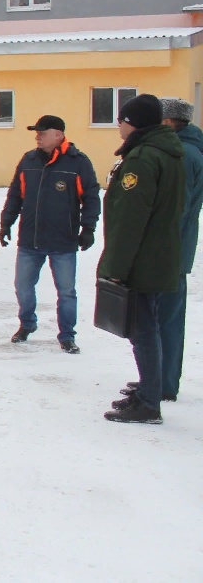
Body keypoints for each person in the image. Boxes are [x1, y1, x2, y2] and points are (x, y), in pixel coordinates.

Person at [99, 94, 183, 424]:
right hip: (159, 253)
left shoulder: (142, 159)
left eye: (122, 119)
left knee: (143, 329)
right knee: (149, 326)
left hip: (143, 258)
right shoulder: (167, 152)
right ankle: (149, 390)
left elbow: (130, 219)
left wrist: (116, 269)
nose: (118, 125)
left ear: (133, 123)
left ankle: (149, 402)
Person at [0, 114, 100, 352]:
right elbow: (15, 194)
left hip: (63, 240)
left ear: (58, 135)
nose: (38, 137)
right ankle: (27, 323)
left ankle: (66, 335)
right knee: (22, 286)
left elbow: (91, 198)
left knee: (66, 291)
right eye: (37, 133)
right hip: (30, 239)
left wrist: (89, 228)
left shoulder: (78, 162)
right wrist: (6, 223)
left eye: (42, 133)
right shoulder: (29, 160)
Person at [140, 97, 203, 402]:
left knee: (166, 318)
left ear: (168, 122)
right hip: (174, 250)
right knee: (164, 317)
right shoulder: (186, 149)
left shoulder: (184, 154)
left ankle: (162, 384)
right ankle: (158, 380)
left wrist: (159, 249)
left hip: (172, 253)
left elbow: (179, 208)